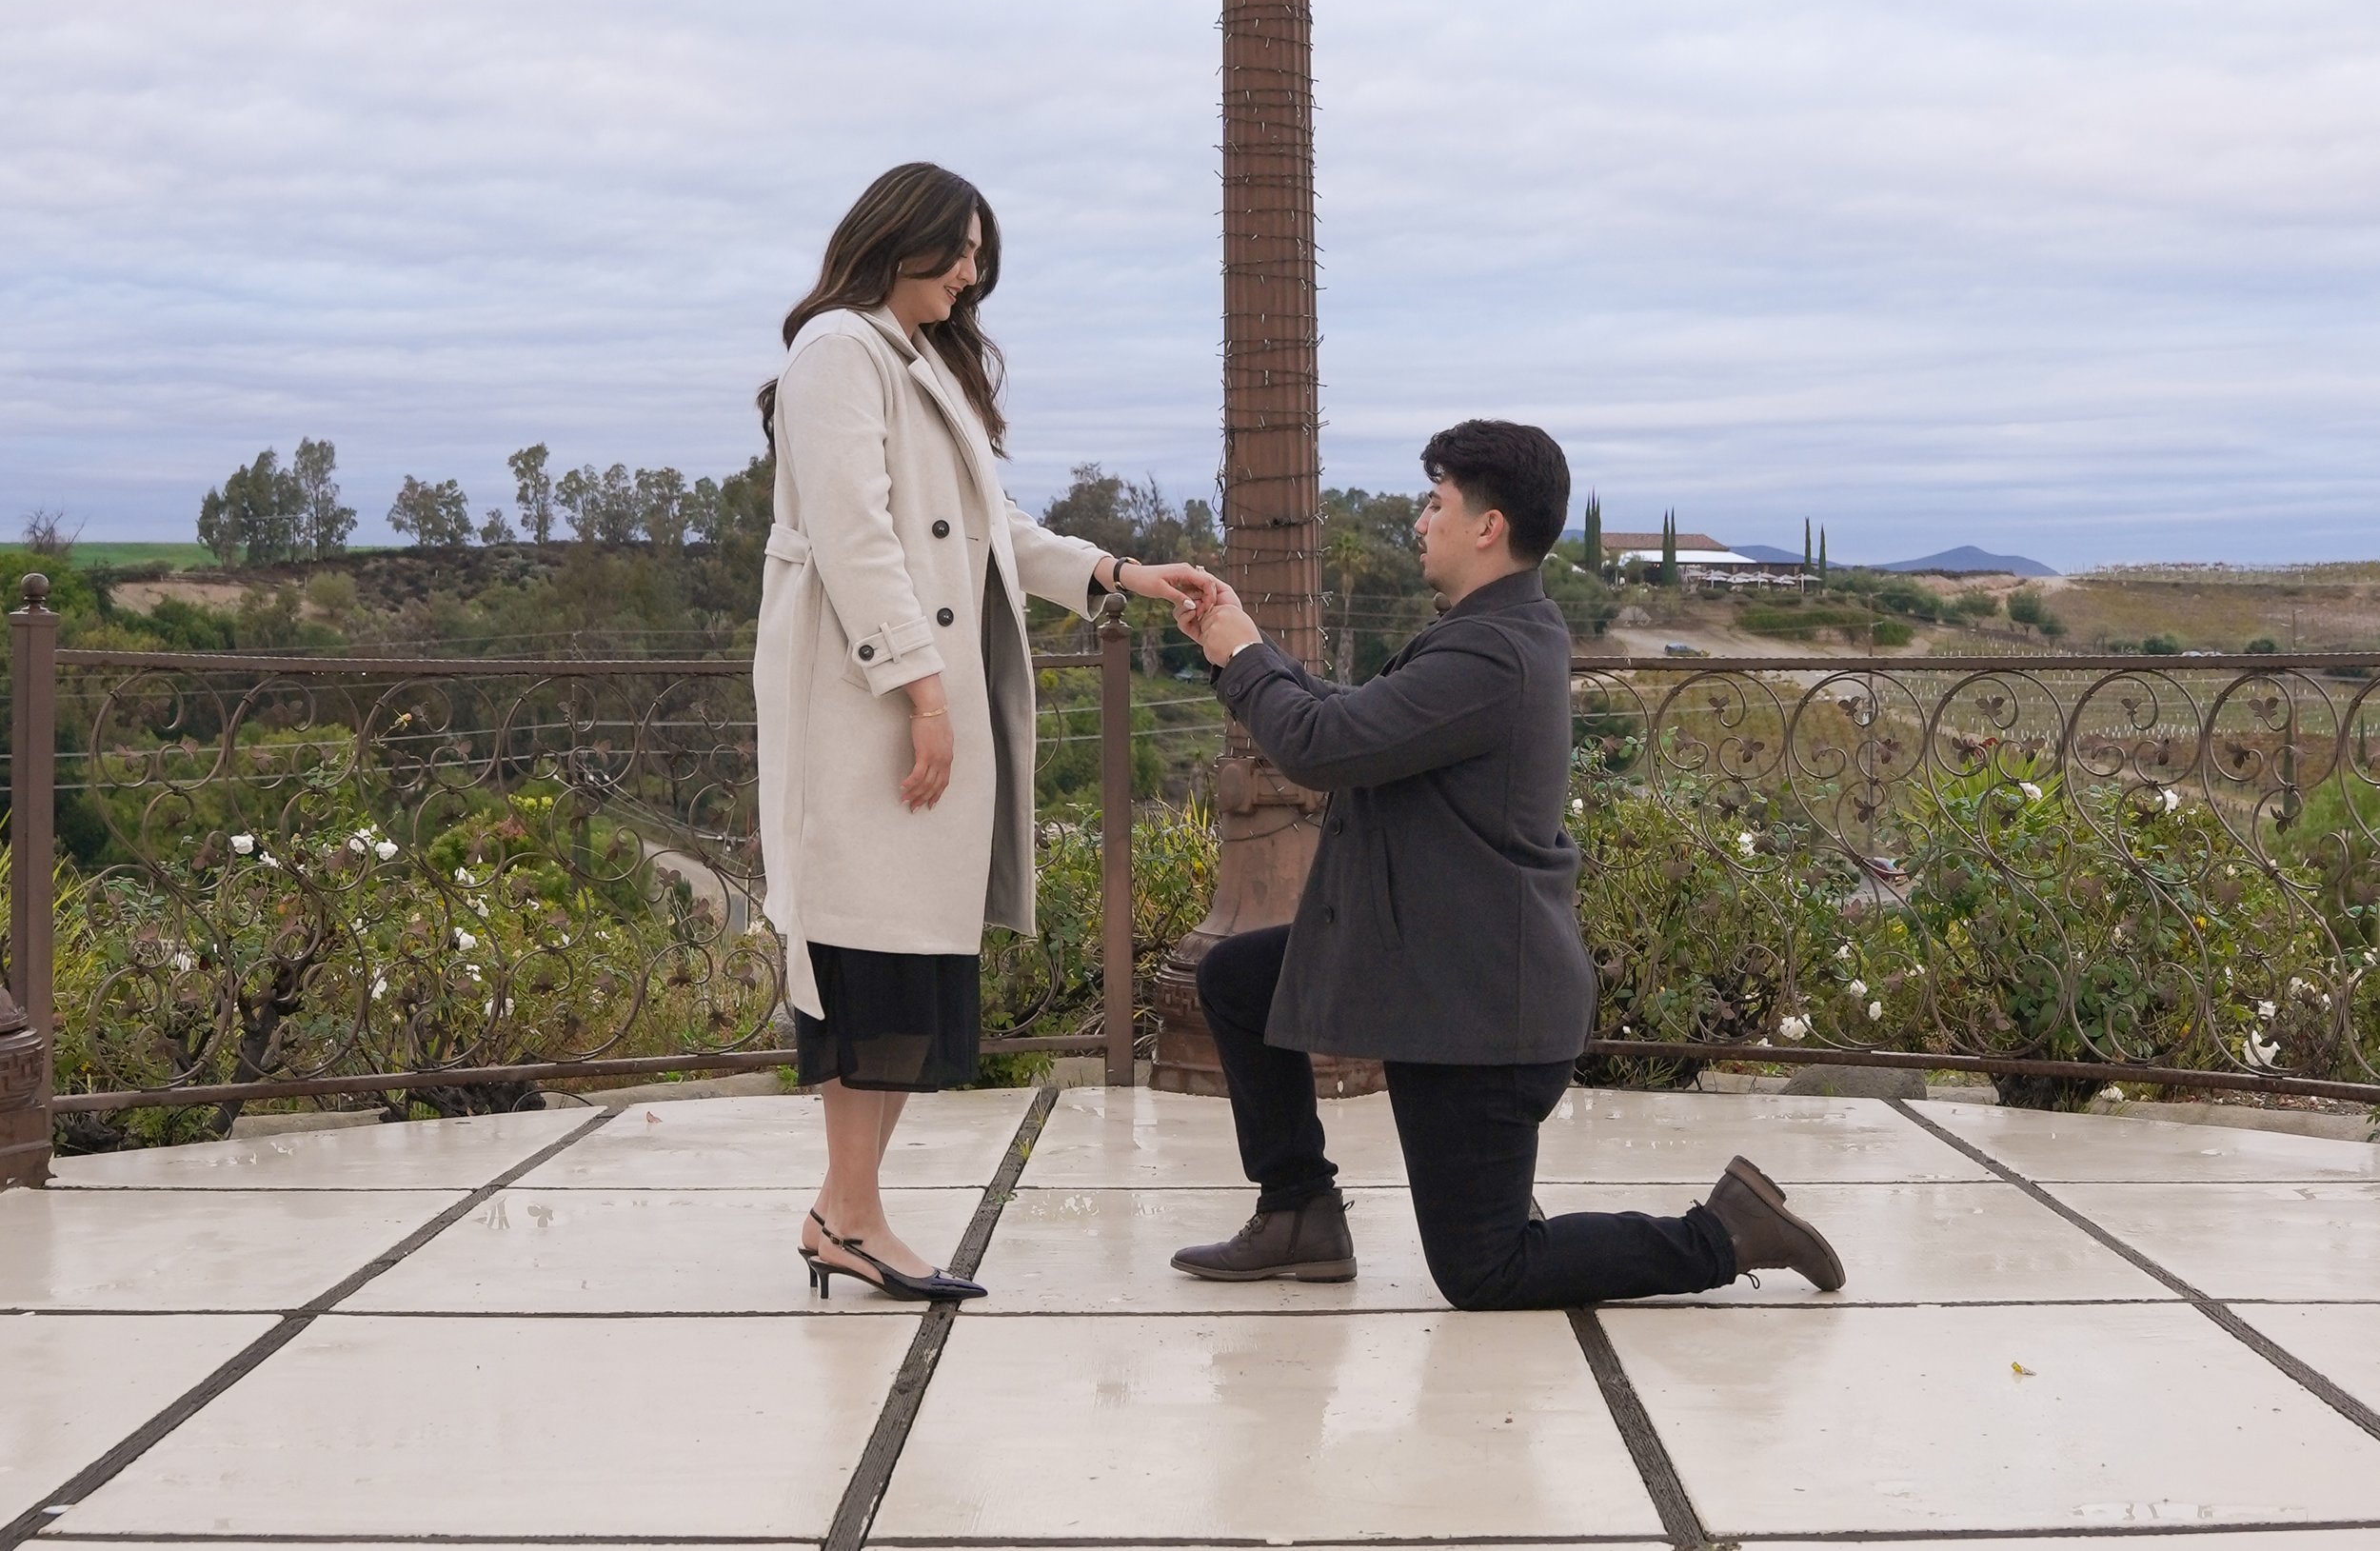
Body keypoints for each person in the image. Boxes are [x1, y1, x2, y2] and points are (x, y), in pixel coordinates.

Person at [1167, 417, 1846, 1309]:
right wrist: (1245, 647)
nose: (1418, 521)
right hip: (1441, 972)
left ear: (1487, 526)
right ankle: (1299, 1212)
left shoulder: (1492, 652)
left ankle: (1725, 1232)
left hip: (1483, 1011)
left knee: (1486, 1269)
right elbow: (1351, 721)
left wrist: (1244, 658)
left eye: (1434, 502)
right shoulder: (1491, 634)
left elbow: (1323, 747)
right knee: (1239, 981)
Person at [753, 162, 1206, 1302]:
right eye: (955, 251)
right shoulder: (838, 352)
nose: (969, 274)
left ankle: (842, 1214)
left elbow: (988, 526)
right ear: (892, 238)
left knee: (900, 959)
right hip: (865, 707)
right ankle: (848, 1216)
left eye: (977, 259)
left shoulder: (913, 364)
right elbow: (856, 536)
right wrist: (926, 694)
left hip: (905, 696)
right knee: (866, 957)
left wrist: (1115, 573)